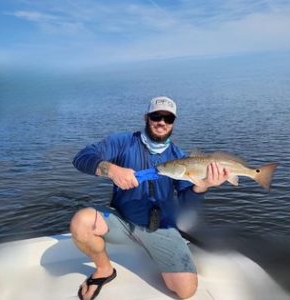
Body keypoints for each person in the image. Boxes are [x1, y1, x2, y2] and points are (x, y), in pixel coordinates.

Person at [71, 96, 230, 300]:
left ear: (173, 122)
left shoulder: (180, 157)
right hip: (122, 220)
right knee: (81, 221)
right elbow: (81, 158)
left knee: (186, 291)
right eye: (156, 116)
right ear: (146, 117)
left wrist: (203, 187)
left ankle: (161, 248)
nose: (162, 122)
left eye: (168, 118)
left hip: (160, 228)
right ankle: (104, 270)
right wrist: (110, 169)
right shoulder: (123, 142)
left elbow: (186, 202)